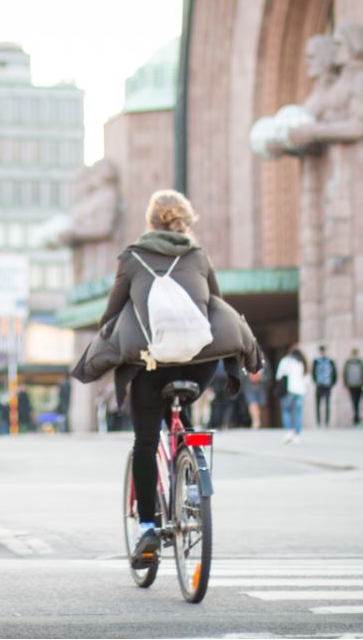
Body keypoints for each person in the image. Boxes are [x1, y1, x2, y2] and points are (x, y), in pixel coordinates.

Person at [71, 189, 260, 570]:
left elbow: (111, 313)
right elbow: (214, 305)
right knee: (180, 415)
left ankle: (146, 528)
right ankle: (190, 480)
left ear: (150, 220)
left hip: (151, 365)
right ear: (185, 221)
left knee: (145, 440)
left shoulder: (132, 257)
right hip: (198, 365)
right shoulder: (199, 256)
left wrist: (107, 336)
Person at [276, 348, 307, 444]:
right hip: (300, 390)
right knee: (298, 413)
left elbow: (278, 376)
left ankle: (289, 431)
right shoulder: (302, 362)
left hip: (289, 390)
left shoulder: (285, 361)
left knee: (286, 411)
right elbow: (306, 378)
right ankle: (297, 435)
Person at [342, 347, 363, 426]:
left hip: (351, 385)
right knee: (358, 401)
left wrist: (345, 383)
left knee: (354, 402)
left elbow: (344, 373)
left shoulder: (348, 362)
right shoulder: (361, 362)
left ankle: (356, 418)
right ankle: (357, 418)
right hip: (360, 384)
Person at [312, 345, 337, 427]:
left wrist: (332, 383)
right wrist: (316, 381)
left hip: (327, 385)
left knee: (327, 404)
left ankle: (326, 422)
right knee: (318, 404)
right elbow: (313, 373)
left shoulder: (330, 361)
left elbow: (334, 373)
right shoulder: (316, 361)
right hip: (320, 385)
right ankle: (319, 422)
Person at [244, 365, 264, 430]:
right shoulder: (246, 361)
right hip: (250, 387)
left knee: (258, 405)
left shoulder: (264, 361)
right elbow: (243, 374)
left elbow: (268, 374)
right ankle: (256, 421)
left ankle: (256, 420)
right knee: (253, 404)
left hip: (260, 387)